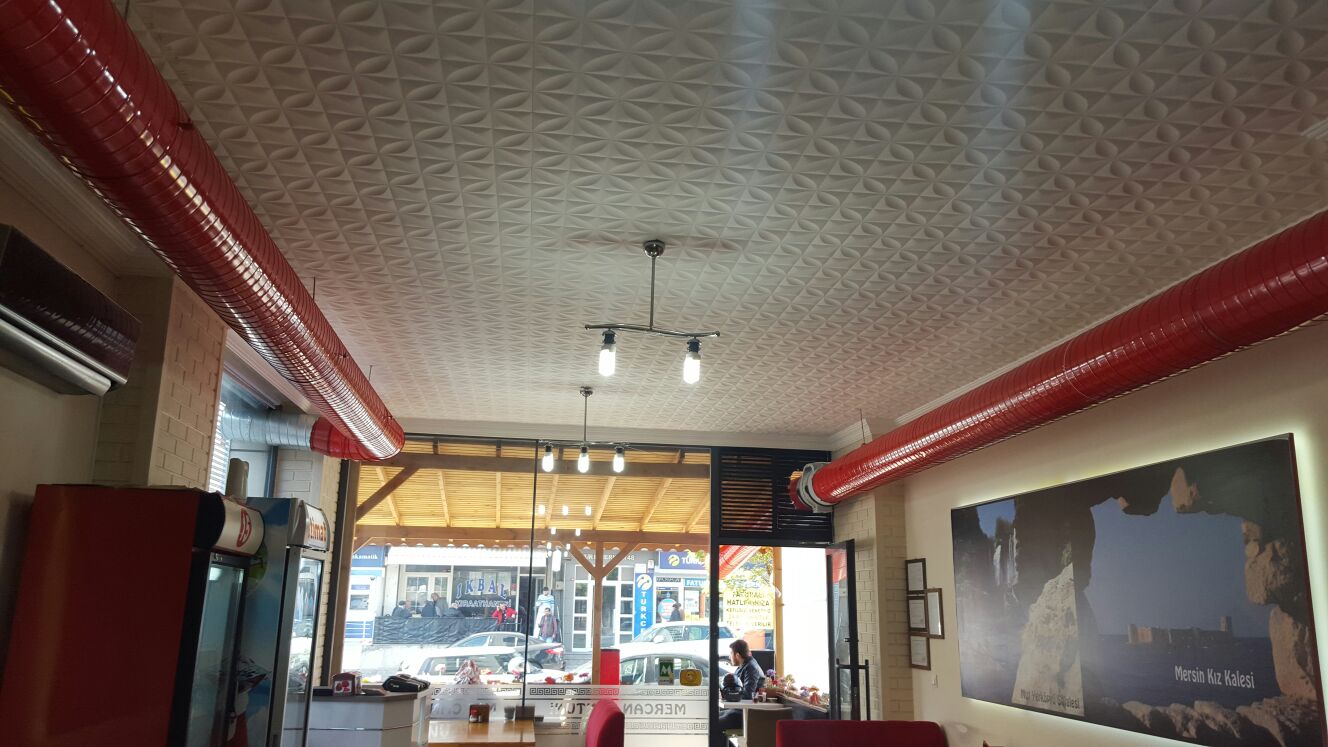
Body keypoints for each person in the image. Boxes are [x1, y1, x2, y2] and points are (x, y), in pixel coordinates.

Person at [717, 640, 765, 731]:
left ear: (737, 655)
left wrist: (727, 696)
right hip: (738, 710)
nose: (729, 656)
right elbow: (734, 688)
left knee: (713, 724)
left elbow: (748, 694)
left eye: (731, 653)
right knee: (709, 719)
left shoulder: (751, 668)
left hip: (745, 713)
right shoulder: (744, 665)